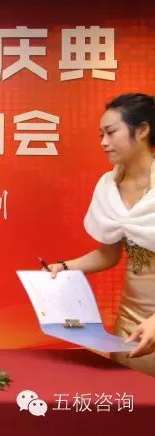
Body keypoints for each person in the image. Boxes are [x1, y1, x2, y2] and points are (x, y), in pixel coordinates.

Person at [47, 93, 155, 376]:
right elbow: (109, 254)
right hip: (130, 317)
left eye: (111, 132)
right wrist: (65, 267)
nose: (103, 143)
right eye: (100, 135)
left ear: (142, 130)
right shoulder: (108, 185)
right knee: (129, 394)